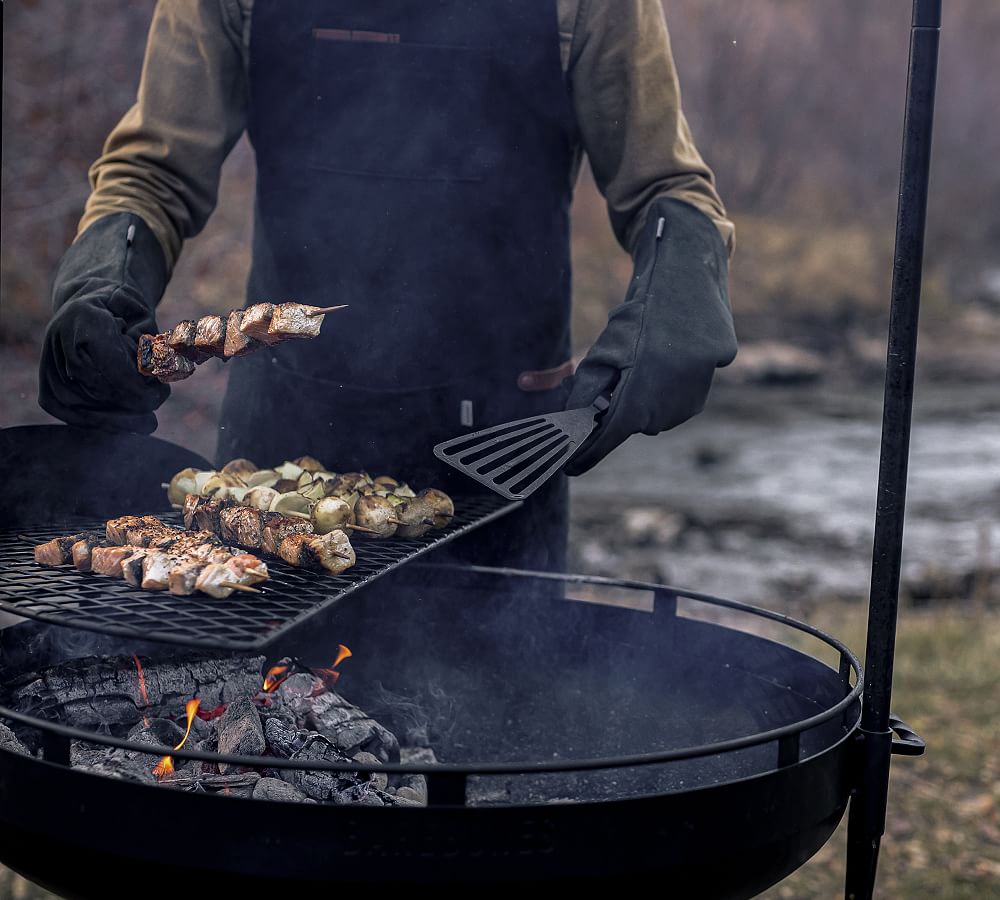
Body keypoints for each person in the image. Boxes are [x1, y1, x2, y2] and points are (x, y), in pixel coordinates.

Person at [38, 0, 737, 574]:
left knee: (504, 722)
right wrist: (103, 280)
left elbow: (666, 188)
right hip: (279, 452)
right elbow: (154, 171)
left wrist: (677, 297)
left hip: (502, 450)